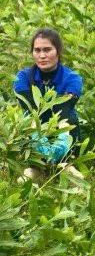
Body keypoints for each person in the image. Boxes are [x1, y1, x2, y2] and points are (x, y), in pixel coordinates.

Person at [14, 28, 83, 164]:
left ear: (58, 50)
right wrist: (37, 137)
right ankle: (36, 162)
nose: (42, 55)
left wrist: (63, 138)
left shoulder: (73, 78)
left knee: (66, 167)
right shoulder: (22, 77)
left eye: (47, 50)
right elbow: (30, 108)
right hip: (34, 129)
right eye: (37, 50)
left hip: (64, 126)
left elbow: (64, 108)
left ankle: (66, 160)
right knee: (31, 172)